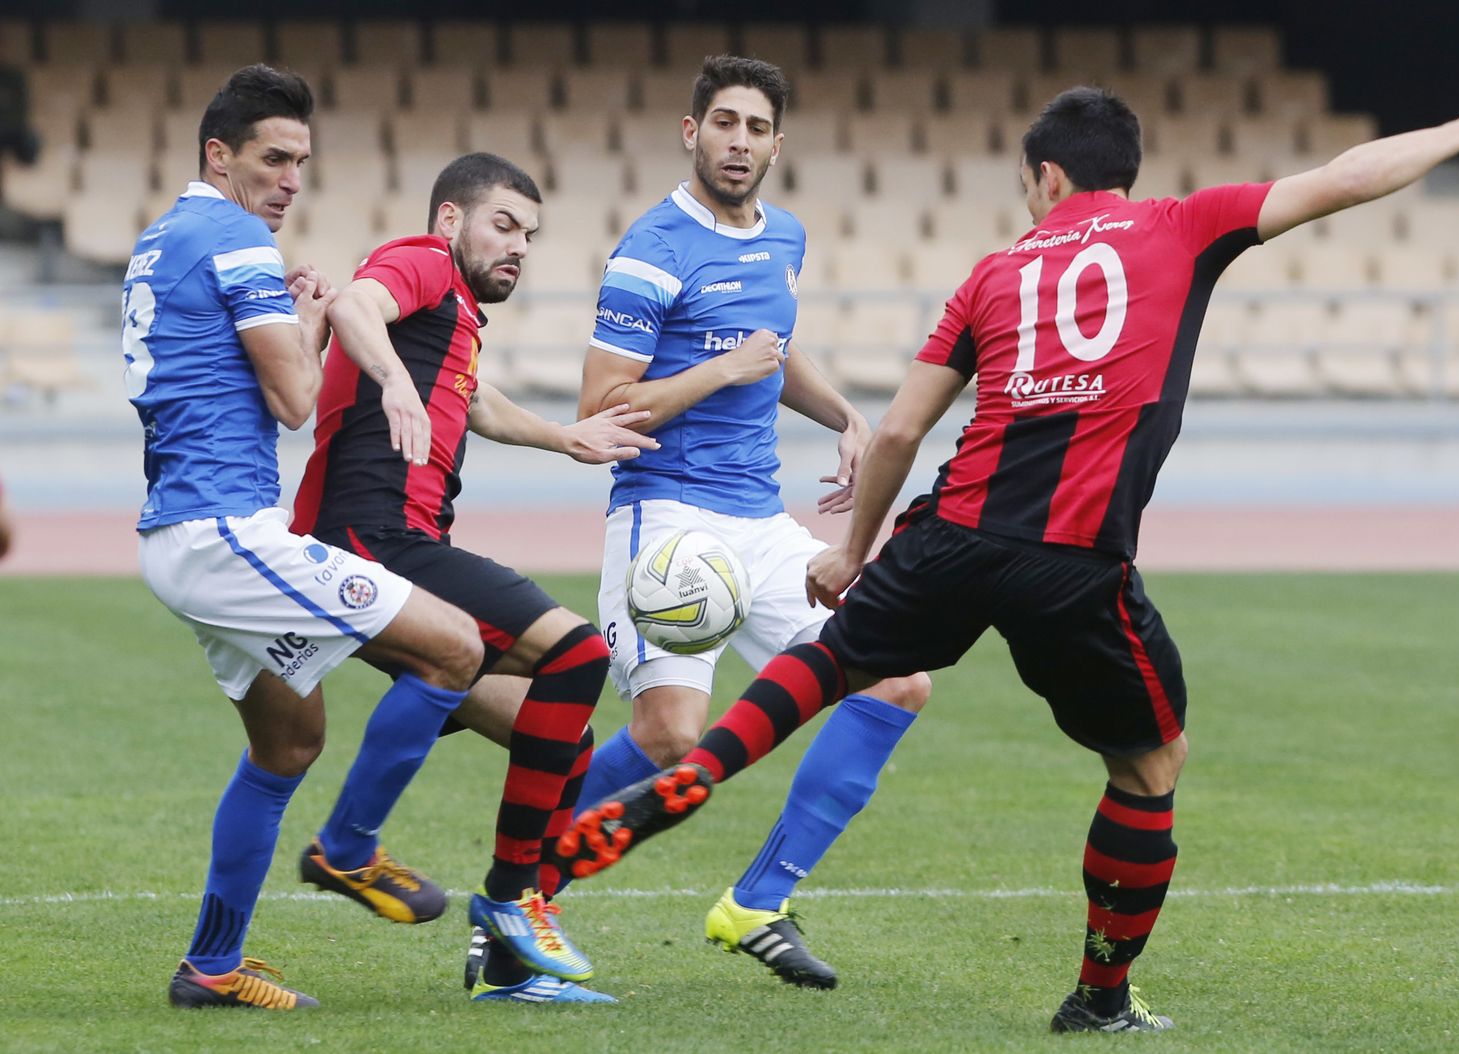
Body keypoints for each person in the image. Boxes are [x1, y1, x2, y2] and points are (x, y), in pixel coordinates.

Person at [552, 89, 1459, 1032]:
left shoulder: (996, 269)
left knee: (839, 661)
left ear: (1046, 179)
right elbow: (1342, 177)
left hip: (948, 529)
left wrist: (854, 549)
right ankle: (1099, 997)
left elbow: (900, 429)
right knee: (1149, 763)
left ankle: (700, 772)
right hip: (1073, 557)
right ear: (1126, 171)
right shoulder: (1184, 224)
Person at [561, 53, 932, 990]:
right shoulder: (652, 249)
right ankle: (521, 889)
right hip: (667, 517)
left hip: (762, 523)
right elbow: (605, 408)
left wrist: (845, 416)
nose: (739, 143)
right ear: (691, 133)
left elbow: (774, 351)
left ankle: (757, 903)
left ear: (777, 143)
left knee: (894, 683)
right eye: (723, 123)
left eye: (756, 128)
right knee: (672, 736)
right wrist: (718, 372)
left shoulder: (786, 237)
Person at [127, 65, 490, 1011]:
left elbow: (226, 372)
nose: (291, 179)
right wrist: (313, 316)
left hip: (183, 533)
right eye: (273, 159)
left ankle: (210, 967)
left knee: (289, 744)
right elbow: (293, 402)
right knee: (456, 647)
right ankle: (350, 851)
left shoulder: (163, 237)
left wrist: (295, 320)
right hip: (222, 530)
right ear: (220, 154)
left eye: (301, 163)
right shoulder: (238, 239)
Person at [290, 152, 657, 1005]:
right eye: (504, 225)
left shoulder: (452, 315)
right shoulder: (421, 261)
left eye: (530, 234)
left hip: (390, 546)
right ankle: (502, 899)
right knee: (576, 655)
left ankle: (508, 971)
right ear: (451, 221)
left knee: (566, 744)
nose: (519, 246)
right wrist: (391, 384)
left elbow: (478, 402)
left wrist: (568, 437)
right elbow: (354, 303)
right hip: (375, 540)